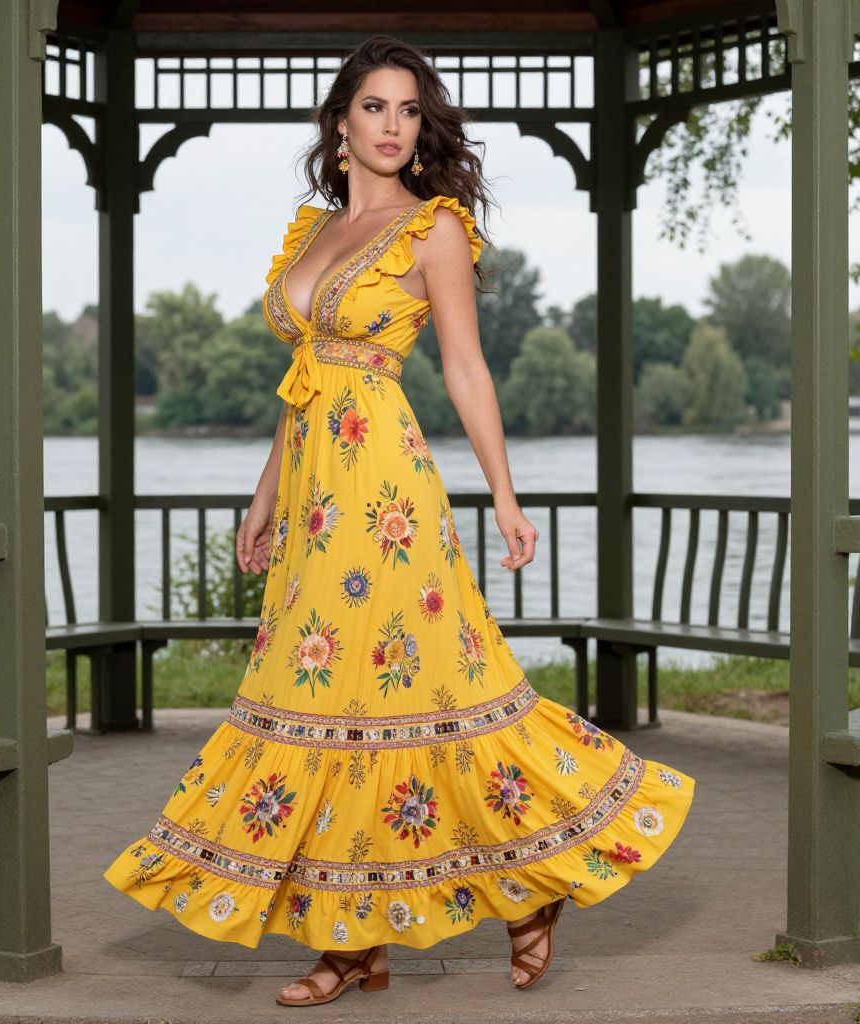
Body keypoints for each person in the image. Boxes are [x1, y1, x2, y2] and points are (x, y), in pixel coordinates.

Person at [102, 32, 696, 1007]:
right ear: (339, 121)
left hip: (383, 495)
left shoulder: (435, 230)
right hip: (310, 497)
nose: (391, 125)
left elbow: (464, 367)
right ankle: (360, 933)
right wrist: (261, 502)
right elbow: (302, 389)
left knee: (407, 701)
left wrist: (505, 498)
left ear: (422, 130)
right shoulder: (309, 234)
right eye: (374, 106)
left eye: (408, 110)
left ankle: (520, 892)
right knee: (328, 711)